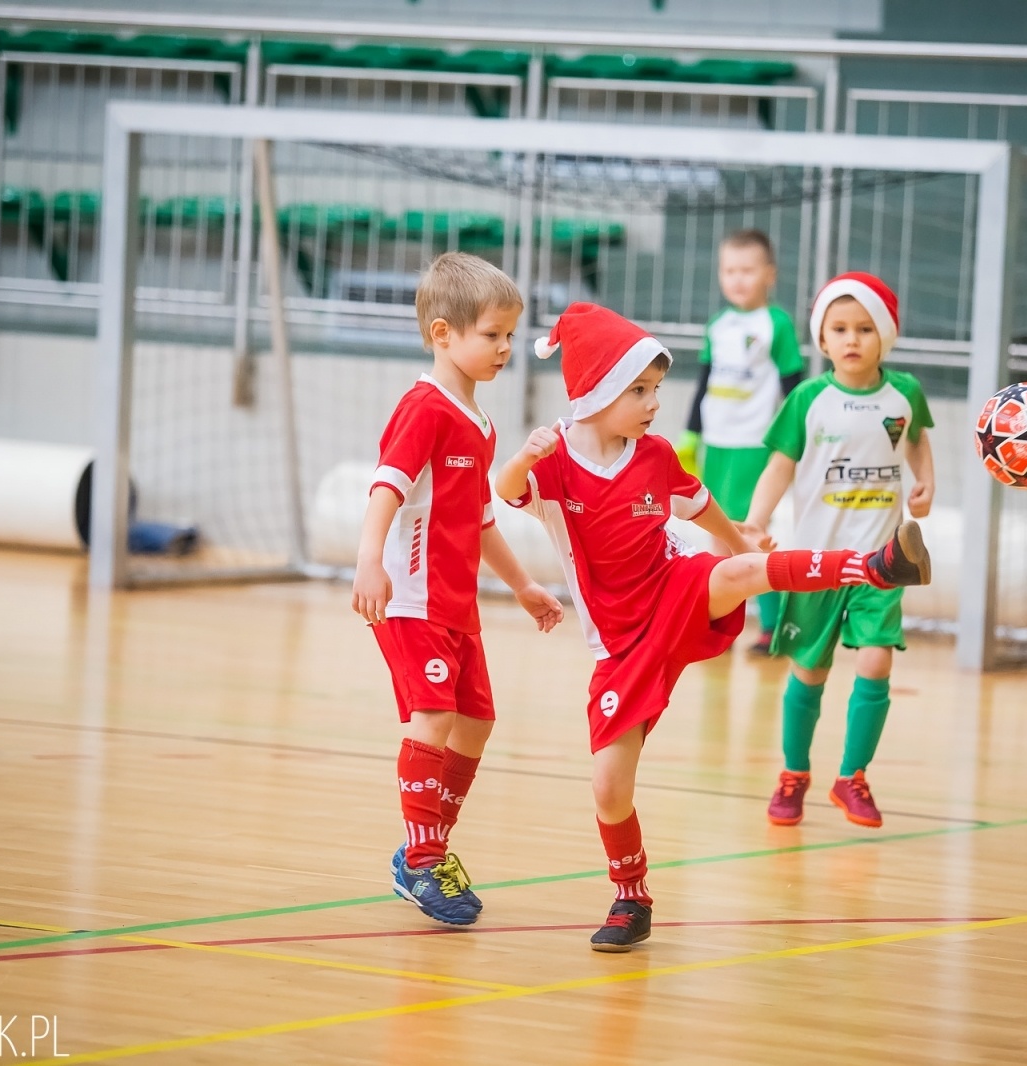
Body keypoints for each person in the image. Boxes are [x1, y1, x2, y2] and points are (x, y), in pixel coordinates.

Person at [497, 301, 931, 952]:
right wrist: (523, 460)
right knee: (609, 789)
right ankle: (631, 895)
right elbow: (504, 493)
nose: (652, 404)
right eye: (638, 391)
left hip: (675, 587)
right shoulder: (556, 464)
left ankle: (876, 565)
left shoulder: (656, 455)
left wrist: (742, 547)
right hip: (620, 643)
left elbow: (702, 512)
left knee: (734, 574)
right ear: (596, 392)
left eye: (655, 391)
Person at [352, 252, 564, 927]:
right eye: (491, 335)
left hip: (455, 603)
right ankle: (420, 861)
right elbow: (387, 485)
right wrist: (368, 558)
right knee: (435, 719)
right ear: (444, 334)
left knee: (477, 722)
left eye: (509, 335)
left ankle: (429, 849)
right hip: (411, 601)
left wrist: (525, 585)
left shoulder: (479, 423)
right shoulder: (425, 409)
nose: (505, 348)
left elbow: (477, 521)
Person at [741, 272, 935, 829]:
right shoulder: (808, 398)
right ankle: (794, 774)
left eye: (865, 328)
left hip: (884, 563)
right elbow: (779, 466)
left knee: (875, 662)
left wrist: (925, 483)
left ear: (886, 336)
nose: (852, 339)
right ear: (822, 339)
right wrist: (756, 521)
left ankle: (853, 777)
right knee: (810, 672)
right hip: (817, 563)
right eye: (840, 329)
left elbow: (918, 441)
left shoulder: (905, 395)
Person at [676, 229, 806, 654]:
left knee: (752, 531)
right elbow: (704, 384)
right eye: (729, 270)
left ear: (769, 274)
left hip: (756, 445)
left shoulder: (778, 324)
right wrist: (690, 436)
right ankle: (720, 622)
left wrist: (800, 440)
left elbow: (794, 388)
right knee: (716, 534)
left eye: (747, 270)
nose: (737, 279)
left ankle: (773, 628)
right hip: (717, 444)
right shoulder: (718, 325)